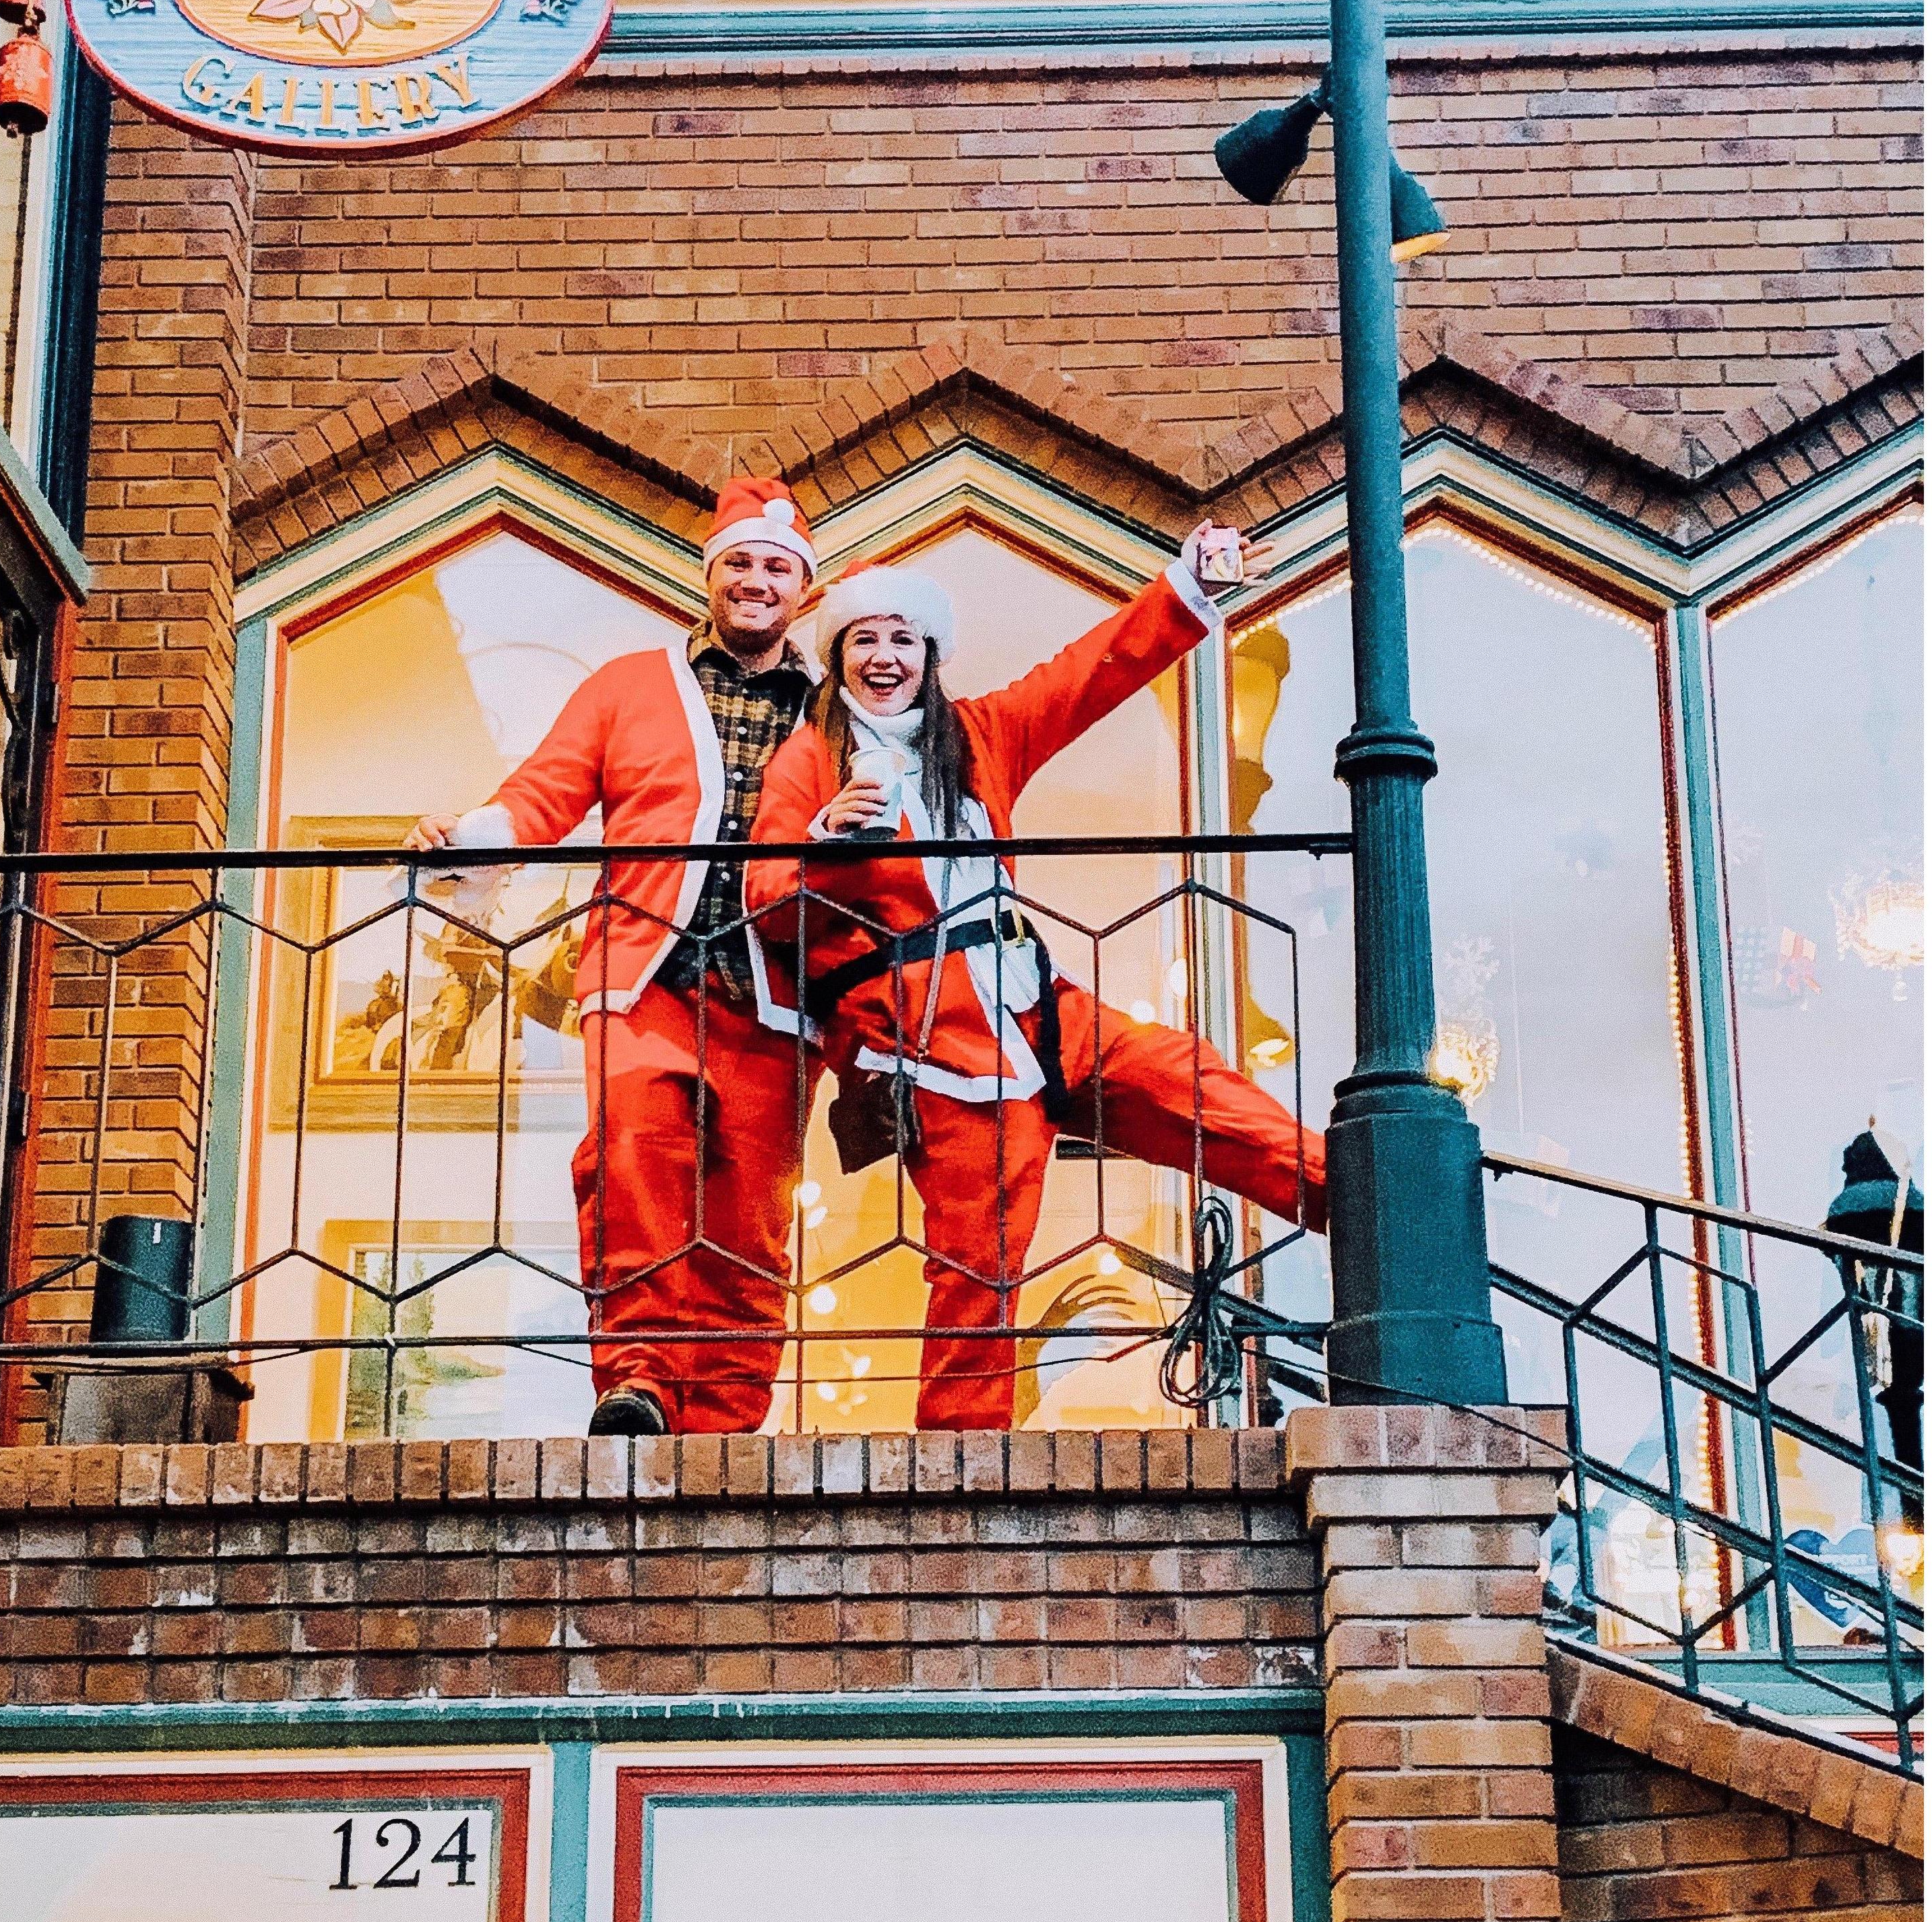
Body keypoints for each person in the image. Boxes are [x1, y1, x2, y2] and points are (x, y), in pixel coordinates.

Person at [747, 527, 1328, 1431]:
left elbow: (1086, 675)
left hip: (1037, 1006)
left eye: (903, 638)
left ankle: (1376, 1212)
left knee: (1192, 1081)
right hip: (926, 1039)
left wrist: (1187, 586)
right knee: (983, 1256)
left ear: (929, 654)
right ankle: (956, 1466)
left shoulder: (980, 733)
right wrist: (829, 843)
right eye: (865, 639)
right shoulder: (808, 761)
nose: (885, 656)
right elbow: (769, 902)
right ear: (838, 658)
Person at [406, 478, 819, 1437]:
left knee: (750, 1214)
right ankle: (638, 1380)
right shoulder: (630, 686)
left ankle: (726, 1420)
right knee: (634, 1164)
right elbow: (544, 792)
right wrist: (469, 835)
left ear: (805, 590)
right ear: (712, 579)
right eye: (741, 565)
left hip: (781, 994)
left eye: (776, 569)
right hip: (643, 976)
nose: (756, 583)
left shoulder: (837, 707)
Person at [1827, 1126, 1924, 1529]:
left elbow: (1831, 1243)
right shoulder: (1912, 1203)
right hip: (1913, 1319)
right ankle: (1915, 1509)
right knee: (1904, 1401)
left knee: (1890, 1408)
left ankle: (1903, 1511)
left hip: (1872, 1323)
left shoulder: (1845, 1209)